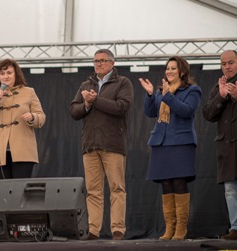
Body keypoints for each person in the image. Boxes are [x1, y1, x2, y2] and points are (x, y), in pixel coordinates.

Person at [69, 49, 133, 241]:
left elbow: (122, 107)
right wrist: (86, 105)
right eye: (96, 61)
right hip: (90, 145)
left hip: (113, 144)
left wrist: (96, 100)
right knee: (93, 192)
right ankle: (94, 230)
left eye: (103, 61)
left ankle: (117, 230)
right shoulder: (86, 84)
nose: (99, 64)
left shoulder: (122, 83)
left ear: (113, 63)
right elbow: (73, 110)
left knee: (117, 189)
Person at [139, 56, 202, 241]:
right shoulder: (161, 92)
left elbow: (186, 111)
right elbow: (151, 112)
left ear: (182, 71)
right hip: (161, 142)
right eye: (167, 68)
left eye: (173, 68)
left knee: (179, 182)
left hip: (181, 142)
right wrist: (151, 95)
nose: (169, 71)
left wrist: (167, 96)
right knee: (165, 184)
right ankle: (169, 228)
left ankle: (181, 228)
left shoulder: (192, 90)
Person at [0, 59, 46, 179]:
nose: (6, 76)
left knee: (20, 190)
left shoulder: (29, 92)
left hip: (23, 149)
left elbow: (41, 117)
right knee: (4, 192)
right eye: (2, 74)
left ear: (16, 74)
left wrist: (32, 117)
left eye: (9, 73)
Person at [203, 50, 237, 240]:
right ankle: (235, 228)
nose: (227, 67)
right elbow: (207, 114)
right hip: (227, 148)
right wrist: (221, 97)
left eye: (231, 62)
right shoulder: (219, 87)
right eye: (223, 63)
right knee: (231, 190)